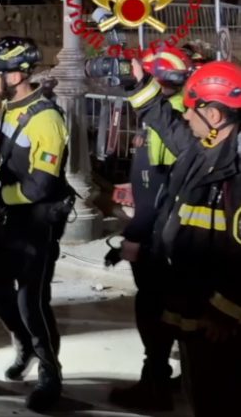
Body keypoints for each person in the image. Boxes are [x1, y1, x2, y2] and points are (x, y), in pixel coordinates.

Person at [126, 59, 241, 417]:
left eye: (193, 108)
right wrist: (142, 86)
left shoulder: (234, 170)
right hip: (191, 296)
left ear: (216, 115)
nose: (186, 115)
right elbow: (167, 123)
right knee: (198, 389)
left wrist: (225, 310)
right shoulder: (205, 146)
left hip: (216, 318)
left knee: (216, 397)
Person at [0, 36, 73, 412]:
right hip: (7, 222)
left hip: (34, 225)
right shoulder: (12, 108)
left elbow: (39, 186)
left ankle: (50, 374)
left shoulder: (45, 118)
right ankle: (24, 344)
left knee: (33, 303)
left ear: (17, 73)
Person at [109, 46, 191, 411]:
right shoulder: (178, 114)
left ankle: (153, 387)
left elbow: (157, 188)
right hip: (166, 230)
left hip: (159, 235)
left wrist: (135, 236)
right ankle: (173, 379)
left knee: (153, 309)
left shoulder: (167, 120)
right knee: (171, 308)